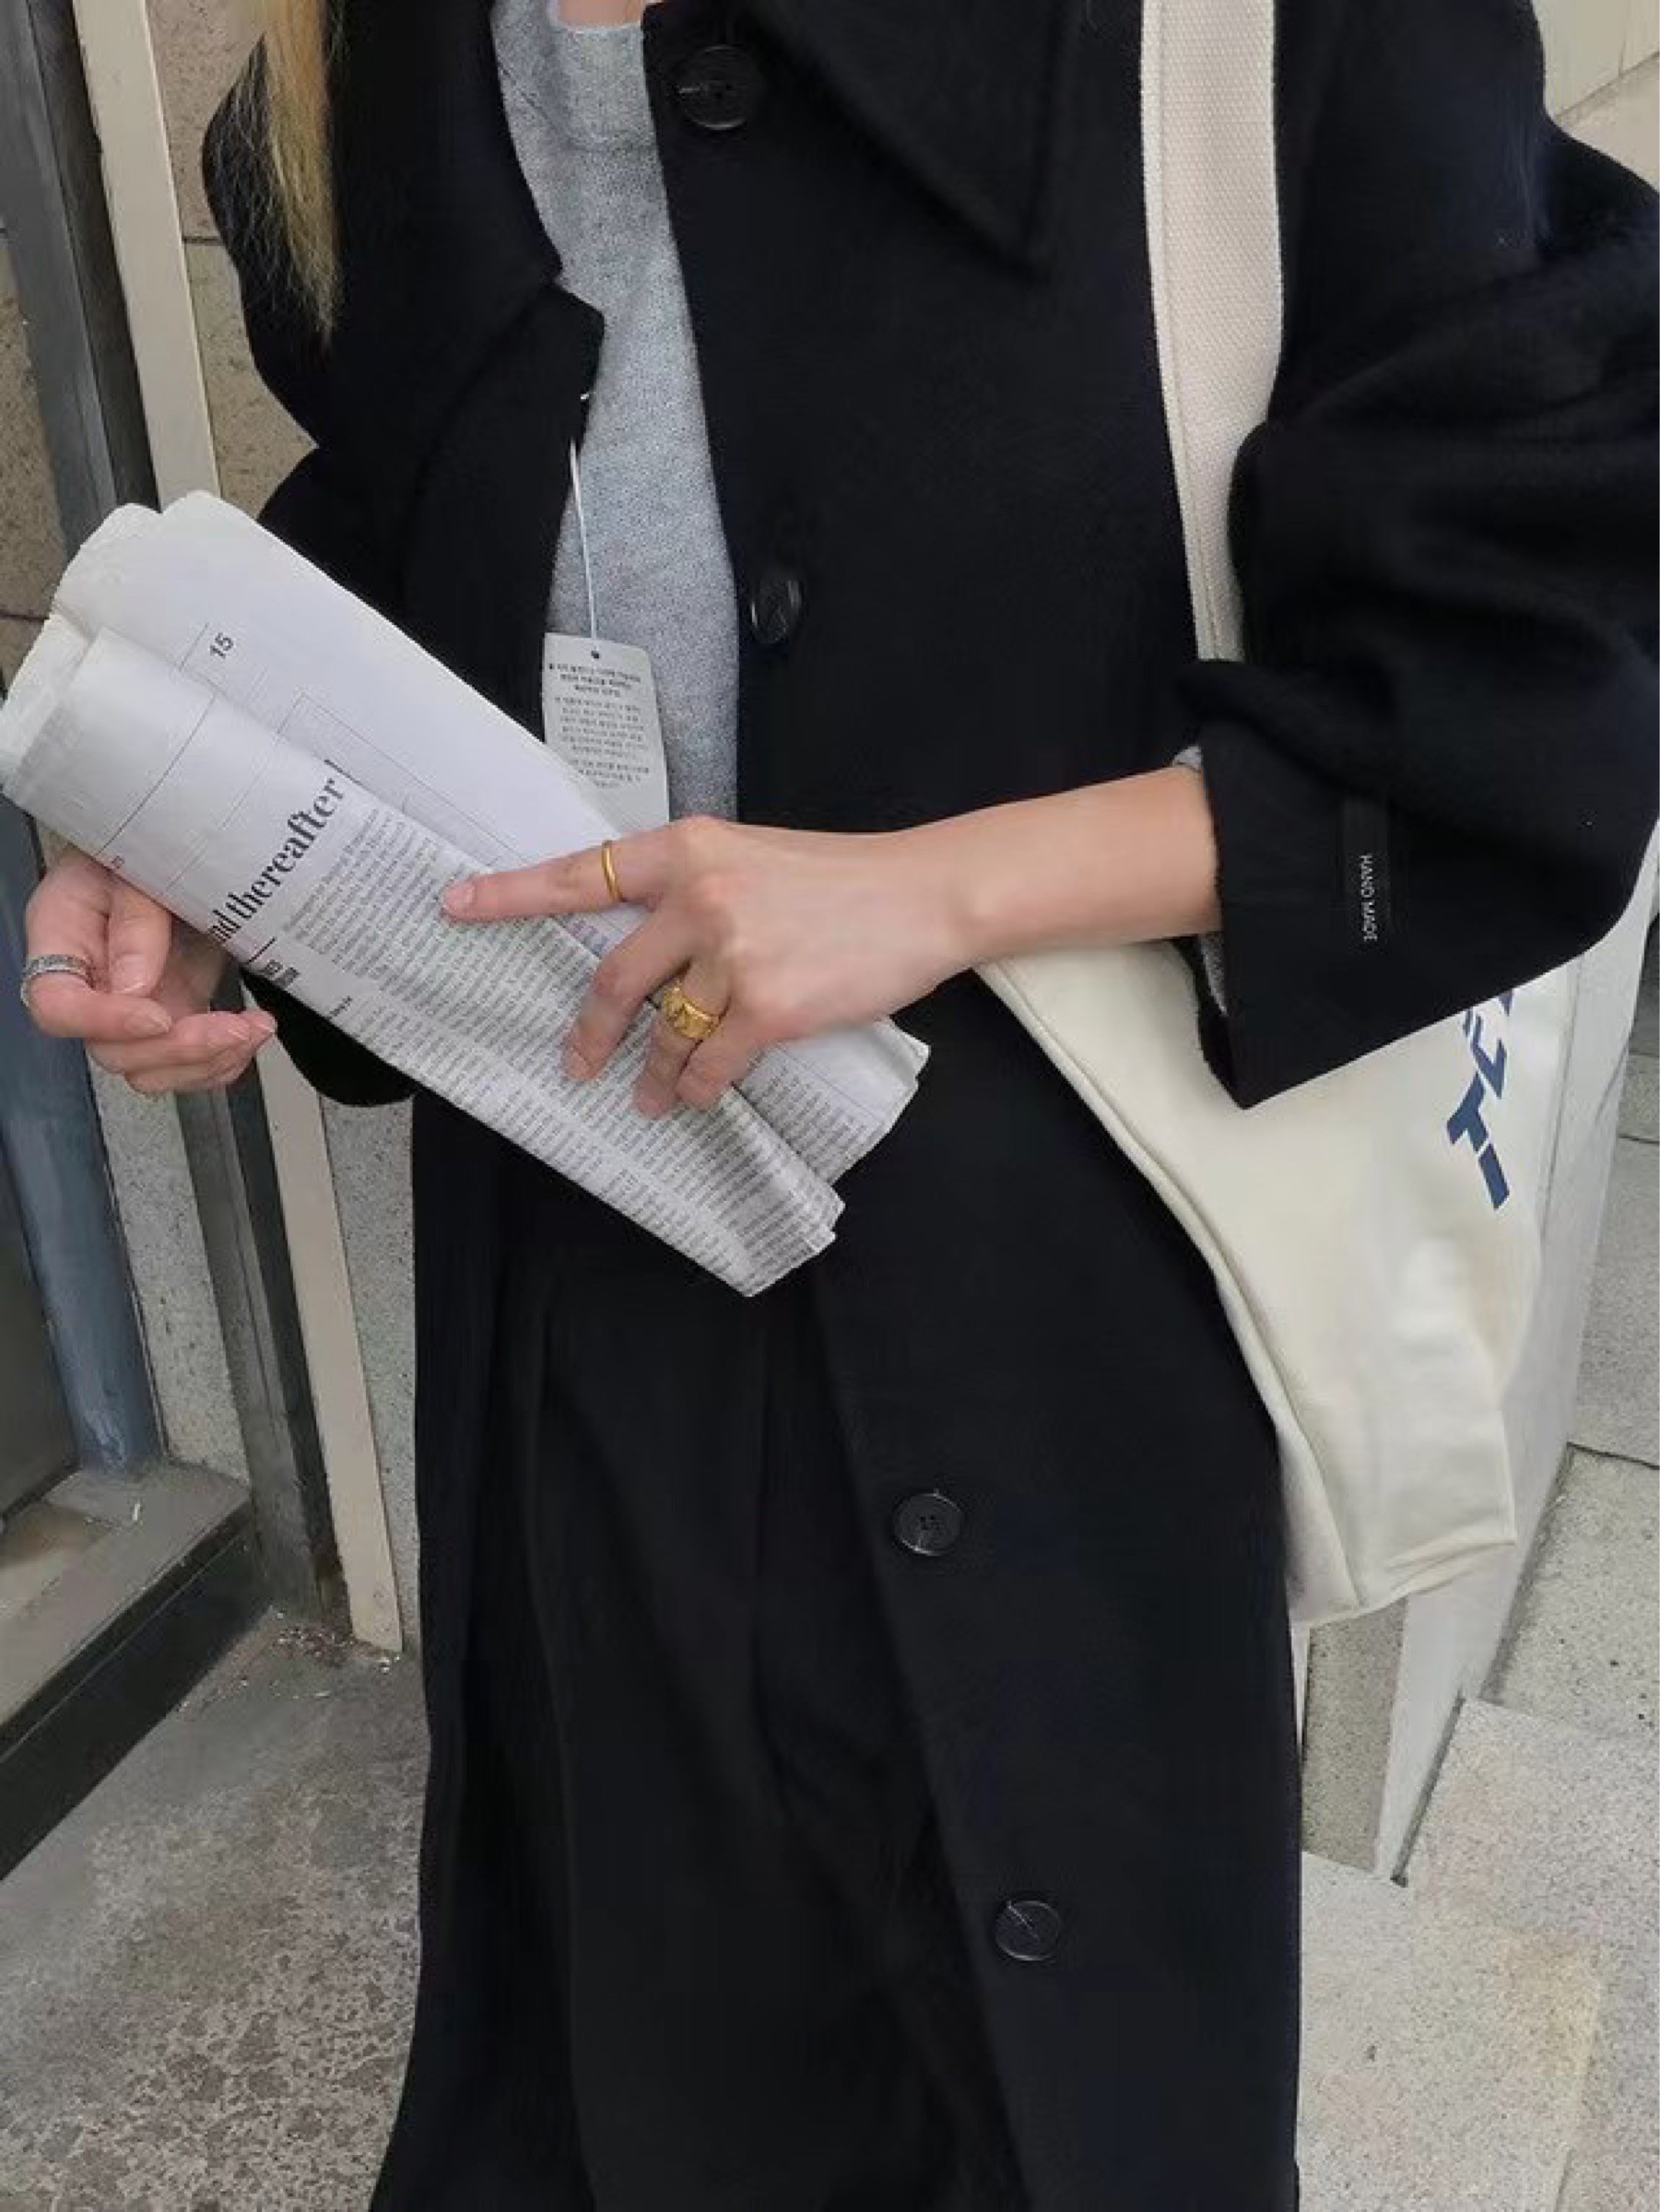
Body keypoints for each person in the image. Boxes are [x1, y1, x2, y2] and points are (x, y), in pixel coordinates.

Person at [21, 1, 1657, 2204]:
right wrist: (208, 842)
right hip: (588, 1310)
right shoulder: (374, 50)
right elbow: (429, 525)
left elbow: (1515, 707)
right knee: (638, 2081)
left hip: (1074, 1325)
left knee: (1063, 2107)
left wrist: (927, 889)